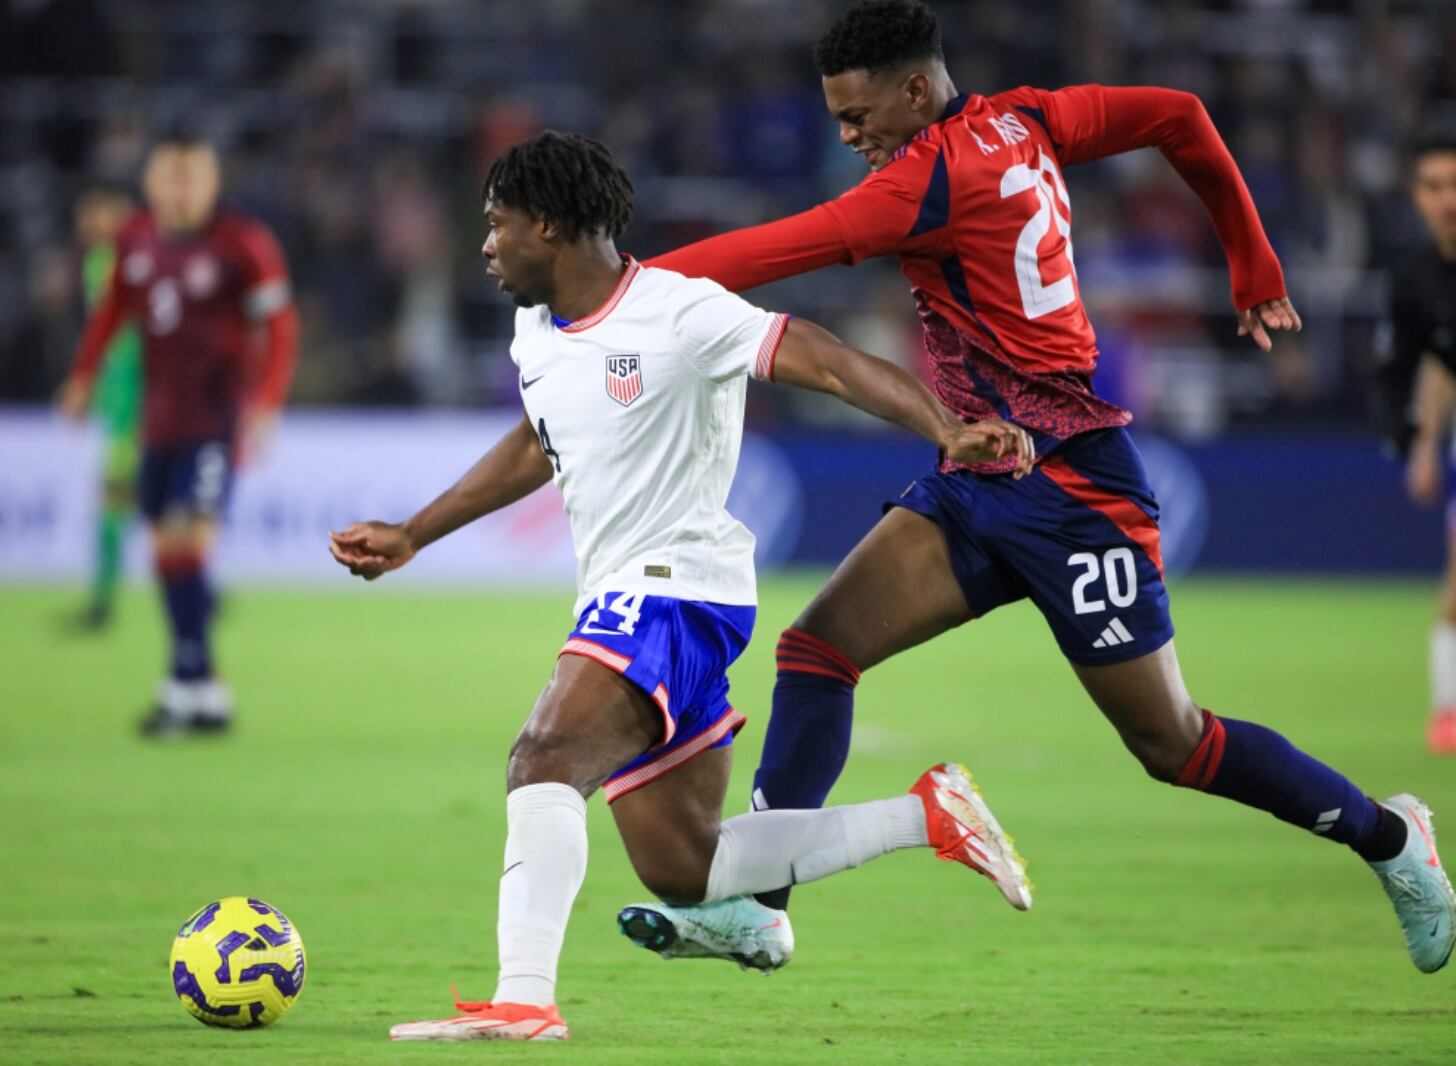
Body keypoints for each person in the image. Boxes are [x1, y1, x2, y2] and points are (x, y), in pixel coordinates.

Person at [624, 0, 1456, 975]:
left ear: (914, 90)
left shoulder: (920, 182)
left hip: (1075, 493)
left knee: (1172, 743)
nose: (847, 138)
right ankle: (756, 907)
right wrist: (1250, 259)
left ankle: (1391, 841)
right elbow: (1180, 115)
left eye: (857, 117)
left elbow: (778, 249)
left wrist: (618, 290)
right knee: (816, 651)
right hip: (981, 469)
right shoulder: (1027, 117)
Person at [329, 131, 1036, 1042]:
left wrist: (940, 426)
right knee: (686, 866)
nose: (487, 246)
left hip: (674, 587)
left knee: (541, 760)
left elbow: (816, 353)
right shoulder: (535, 332)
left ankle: (524, 999)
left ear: (546, 223)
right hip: (643, 598)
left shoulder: (678, 312)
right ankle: (927, 814)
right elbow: (537, 441)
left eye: (497, 225)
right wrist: (415, 533)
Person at [59, 133, 299, 736]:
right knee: (167, 549)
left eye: (195, 177)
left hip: (215, 420)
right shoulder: (134, 240)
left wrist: (266, 403)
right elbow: (111, 312)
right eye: (172, 176)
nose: (183, 190)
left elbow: (281, 328)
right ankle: (203, 689)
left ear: (213, 182)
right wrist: (83, 377)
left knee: (188, 537)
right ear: (152, 182)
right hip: (155, 422)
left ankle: (183, 682)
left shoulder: (243, 244)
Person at [1373, 136, 1456, 756]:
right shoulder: (1416, 279)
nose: (1447, 200)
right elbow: (1421, 362)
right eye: (1433, 186)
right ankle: (1447, 716)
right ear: (1417, 196)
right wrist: (1416, 439)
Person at [63, 184, 143, 632]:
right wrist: (89, 384)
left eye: (96, 211)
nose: (87, 221)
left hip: (147, 398)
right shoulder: (98, 263)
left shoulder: (141, 261)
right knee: (134, 499)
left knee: (118, 497)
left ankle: (102, 602)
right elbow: (106, 339)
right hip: (121, 397)